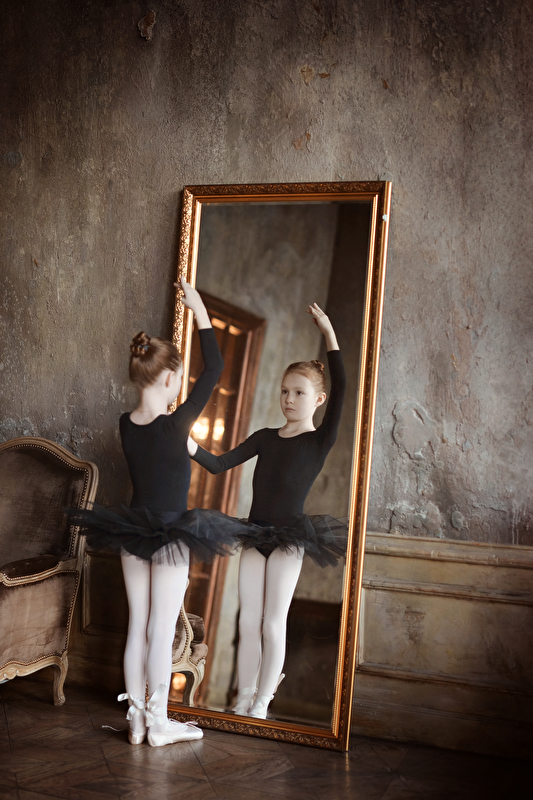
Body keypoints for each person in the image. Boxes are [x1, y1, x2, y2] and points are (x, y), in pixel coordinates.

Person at [69, 279, 230, 746]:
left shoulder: (126, 425)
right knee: (161, 629)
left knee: (137, 626)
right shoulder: (178, 424)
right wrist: (200, 312)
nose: (181, 385)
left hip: (132, 531)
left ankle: (138, 722)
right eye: (178, 378)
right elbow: (215, 368)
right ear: (168, 379)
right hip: (172, 532)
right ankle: (159, 723)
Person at [188, 303, 346, 719]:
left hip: (291, 538)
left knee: (273, 623)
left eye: (299, 393)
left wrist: (329, 333)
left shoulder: (318, 441)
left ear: (319, 399)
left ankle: (261, 701)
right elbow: (218, 464)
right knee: (247, 622)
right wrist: (186, 442)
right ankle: (244, 696)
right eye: (284, 391)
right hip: (254, 533)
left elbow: (345, 385)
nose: (289, 399)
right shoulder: (264, 437)